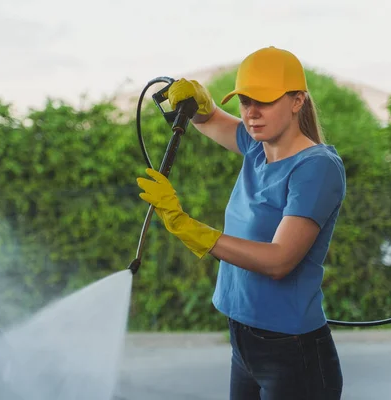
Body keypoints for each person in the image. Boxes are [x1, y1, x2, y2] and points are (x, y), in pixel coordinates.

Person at [136, 46, 346, 399]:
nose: (252, 113)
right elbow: (210, 119)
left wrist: (187, 226)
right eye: (246, 101)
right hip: (244, 342)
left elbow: (279, 261)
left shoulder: (317, 167)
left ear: (297, 101)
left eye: (264, 101)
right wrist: (198, 103)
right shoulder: (256, 148)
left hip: (293, 354)